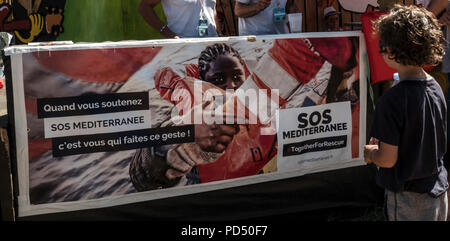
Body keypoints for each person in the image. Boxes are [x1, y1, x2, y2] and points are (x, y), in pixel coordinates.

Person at [364, 5, 448, 221]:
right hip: (439, 191)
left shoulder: (391, 100)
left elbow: (387, 160)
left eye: (381, 44)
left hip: (408, 198)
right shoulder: (436, 87)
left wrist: (371, 153)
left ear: (390, 51)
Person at [129, 43, 247, 191]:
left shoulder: (261, 99)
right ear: (204, 82)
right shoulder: (187, 112)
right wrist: (186, 137)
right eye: (218, 80)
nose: (230, 86)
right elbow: (141, 176)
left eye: (237, 76)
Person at [138, 0, 220, 38]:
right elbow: (144, 7)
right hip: (183, 46)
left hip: (211, 45)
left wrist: (218, 33)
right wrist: (168, 33)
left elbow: (211, 10)